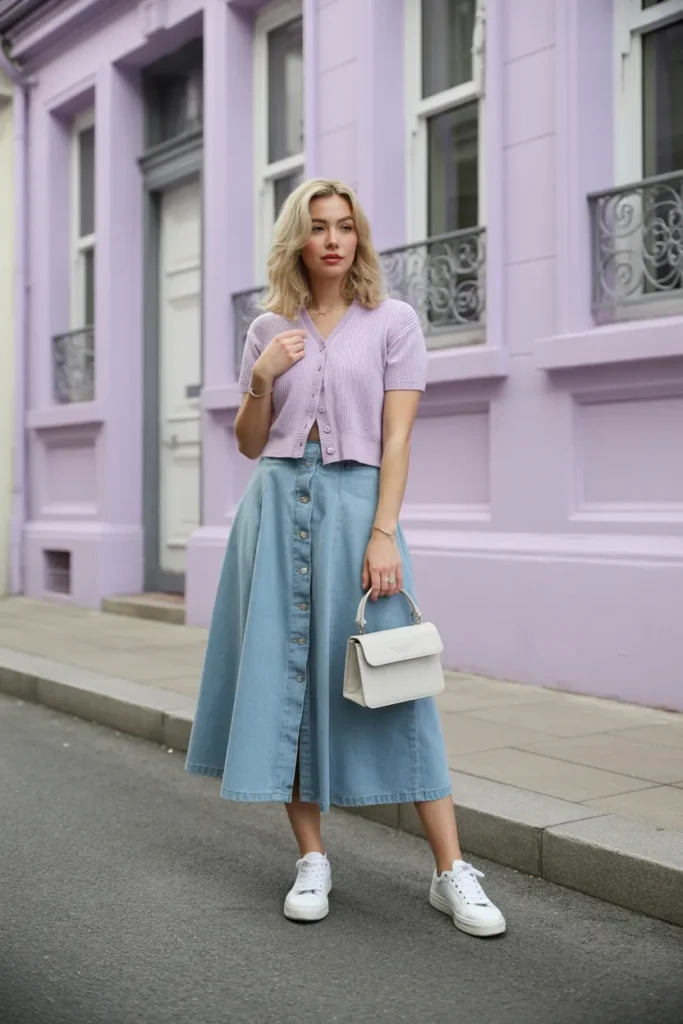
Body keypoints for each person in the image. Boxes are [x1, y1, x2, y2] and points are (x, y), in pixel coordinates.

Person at [185, 178, 505, 939]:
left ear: (359, 238)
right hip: (275, 507)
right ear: (297, 239)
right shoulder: (266, 326)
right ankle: (311, 858)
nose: (333, 240)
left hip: (358, 508)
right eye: (318, 227)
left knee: (396, 684)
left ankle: (450, 871)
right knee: (287, 675)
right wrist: (259, 380)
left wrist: (383, 531)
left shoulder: (392, 322)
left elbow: (396, 438)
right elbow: (249, 442)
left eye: (345, 227)